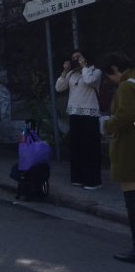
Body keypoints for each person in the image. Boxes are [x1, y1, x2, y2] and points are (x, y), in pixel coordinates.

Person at [100, 52, 135, 264]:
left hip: (130, 146)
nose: (110, 80)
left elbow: (126, 115)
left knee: (131, 194)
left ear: (114, 68)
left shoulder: (125, 85)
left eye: (109, 75)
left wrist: (108, 125)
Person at [56, 50, 103, 189]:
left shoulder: (95, 71)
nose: (76, 60)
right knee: (76, 147)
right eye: (73, 58)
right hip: (74, 112)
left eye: (79, 57)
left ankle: (93, 181)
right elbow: (59, 88)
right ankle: (78, 177)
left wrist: (85, 66)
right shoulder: (71, 74)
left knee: (90, 148)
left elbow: (90, 81)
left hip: (89, 113)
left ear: (86, 58)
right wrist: (65, 71)